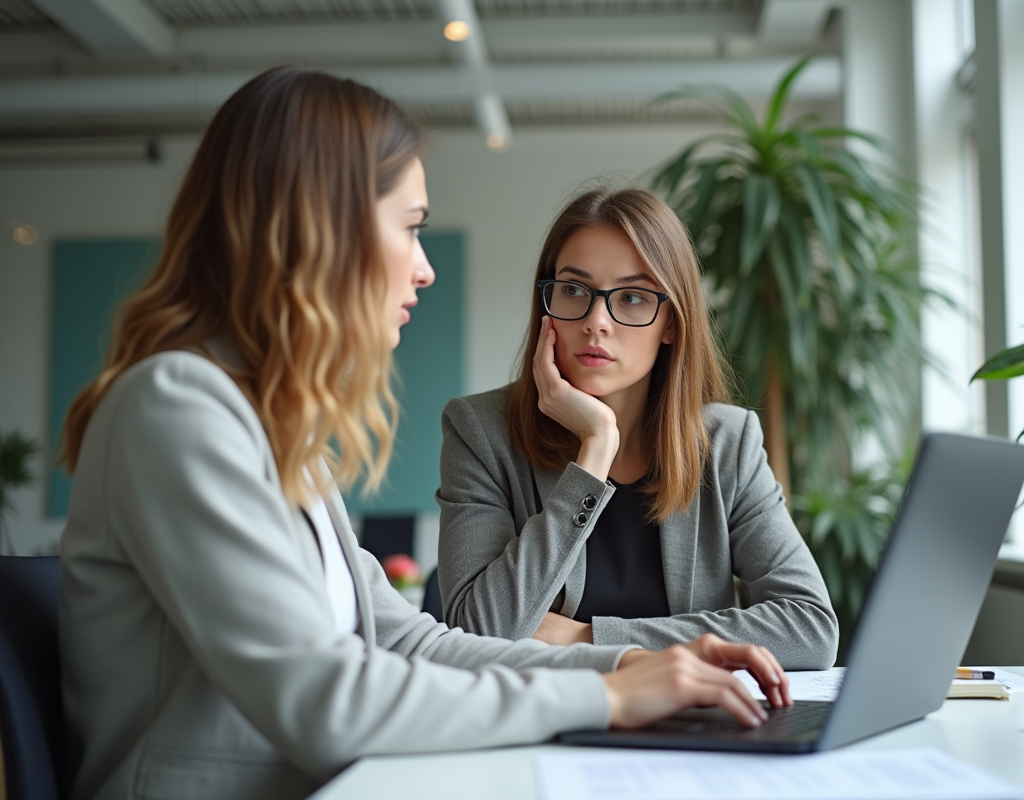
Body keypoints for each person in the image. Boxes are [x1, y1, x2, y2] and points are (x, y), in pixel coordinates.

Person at [56, 68, 791, 800]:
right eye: (410, 228)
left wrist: (617, 667)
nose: (426, 269)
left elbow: (411, 640)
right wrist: (608, 699)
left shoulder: (265, 427)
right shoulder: (177, 407)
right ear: (322, 230)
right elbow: (328, 700)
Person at [436, 187, 839, 669]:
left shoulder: (727, 443)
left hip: (694, 727)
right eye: (573, 290)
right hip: (552, 726)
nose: (595, 321)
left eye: (630, 298)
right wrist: (596, 449)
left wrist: (589, 638)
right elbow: (477, 632)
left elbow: (811, 628)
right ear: (546, 308)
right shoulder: (480, 431)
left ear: (671, 323)